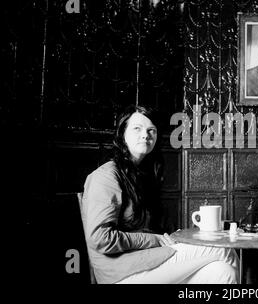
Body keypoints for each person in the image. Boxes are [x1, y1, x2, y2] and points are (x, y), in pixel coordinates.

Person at [82, 105, 239, 284]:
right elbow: (100, 239)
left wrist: (173, 237)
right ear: (122, 135)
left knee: (223, 272)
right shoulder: (106, 176)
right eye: (137, 129)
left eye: (151, 130)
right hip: (121, 273)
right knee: (224, 250)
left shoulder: (141, 175)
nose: (145, 135)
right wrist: (153, 240)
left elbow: (149, 229)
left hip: (147, 261)